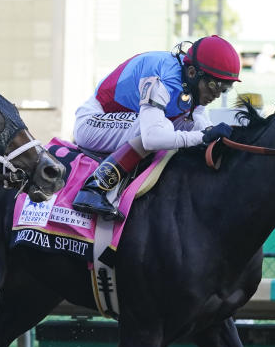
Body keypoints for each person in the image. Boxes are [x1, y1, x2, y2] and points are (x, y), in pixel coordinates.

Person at [71, 35, 241, 221]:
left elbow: (201, 126)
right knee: (155, 128)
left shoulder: (193, 84)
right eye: (214, 85)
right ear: (192, 72)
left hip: (126, 121)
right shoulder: (160, 77)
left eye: (225, 88)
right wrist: (202, 136)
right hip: (92, 122)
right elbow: (151, 139)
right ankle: (93, 189)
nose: (216, 94)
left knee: (195, 124)